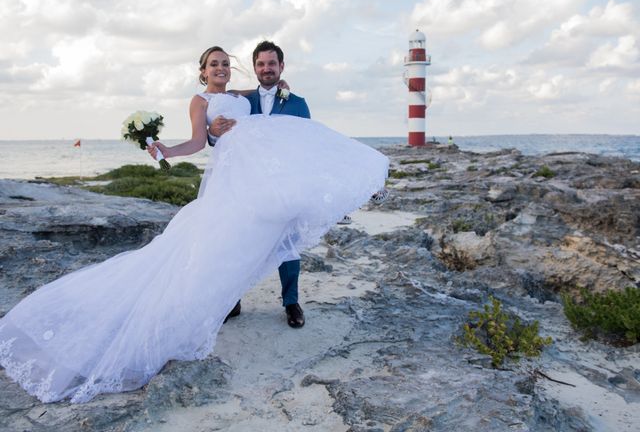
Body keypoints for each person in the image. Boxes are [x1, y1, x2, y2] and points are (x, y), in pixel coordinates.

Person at [0, 46, 388, 404]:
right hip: (232, 181)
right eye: (213, 64)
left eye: (225, 63)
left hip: (263, 180)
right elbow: (197, 142)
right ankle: (218, 303)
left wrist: (280, 87)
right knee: (223, 242)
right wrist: (168, 149)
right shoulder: (202, 100)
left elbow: (282, 122)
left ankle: (289, 301)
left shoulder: (245, 97)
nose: (220, 67)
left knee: (277, 240)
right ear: (202, 72)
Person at [208, 41, 310, 328]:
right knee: (240, 243)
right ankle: (234, 300)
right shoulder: (242, 103)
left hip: (284, 184)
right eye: (261, 64)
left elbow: (308, 145)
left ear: (281, 66)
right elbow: (219, 138)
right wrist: (211, 133)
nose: (267, 69)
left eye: (272, 64)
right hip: (246, 184)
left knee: (288, 245)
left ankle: (291, 303)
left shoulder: (298, 103)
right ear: (254, 67)